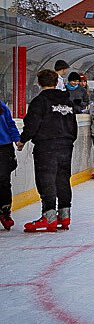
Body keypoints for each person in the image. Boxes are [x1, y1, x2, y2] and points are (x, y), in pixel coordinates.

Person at [17, 69, 79, 232]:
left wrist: (23, 139)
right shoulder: (68, 102)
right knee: (63, 179)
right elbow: (74, 125)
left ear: (39, 83)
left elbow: (32, 123)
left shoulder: (40, 101)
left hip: (47, 146)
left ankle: (49, 217)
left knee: (46, 180)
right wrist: (69, 139)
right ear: (55, 82)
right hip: (66, 145)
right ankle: (65, 216)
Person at [1, 98, 21, 230]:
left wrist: (17, 139)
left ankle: (5, 211)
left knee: (3, 180)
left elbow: (10, 124)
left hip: (4, 147)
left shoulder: (1, 106)